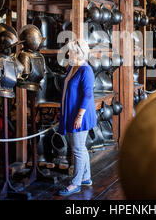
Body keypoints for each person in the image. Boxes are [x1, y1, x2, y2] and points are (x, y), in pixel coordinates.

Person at [57, 39, 96, 196]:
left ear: (79, 53)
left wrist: (79, 116)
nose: (67, 53)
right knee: (81, 147)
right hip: (72, 113)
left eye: (70, 51)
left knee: (78, 149)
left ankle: (76, 183)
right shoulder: (73, 67)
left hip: (81, 115)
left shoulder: (86, 70)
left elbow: (87, 96)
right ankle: (86, 177)